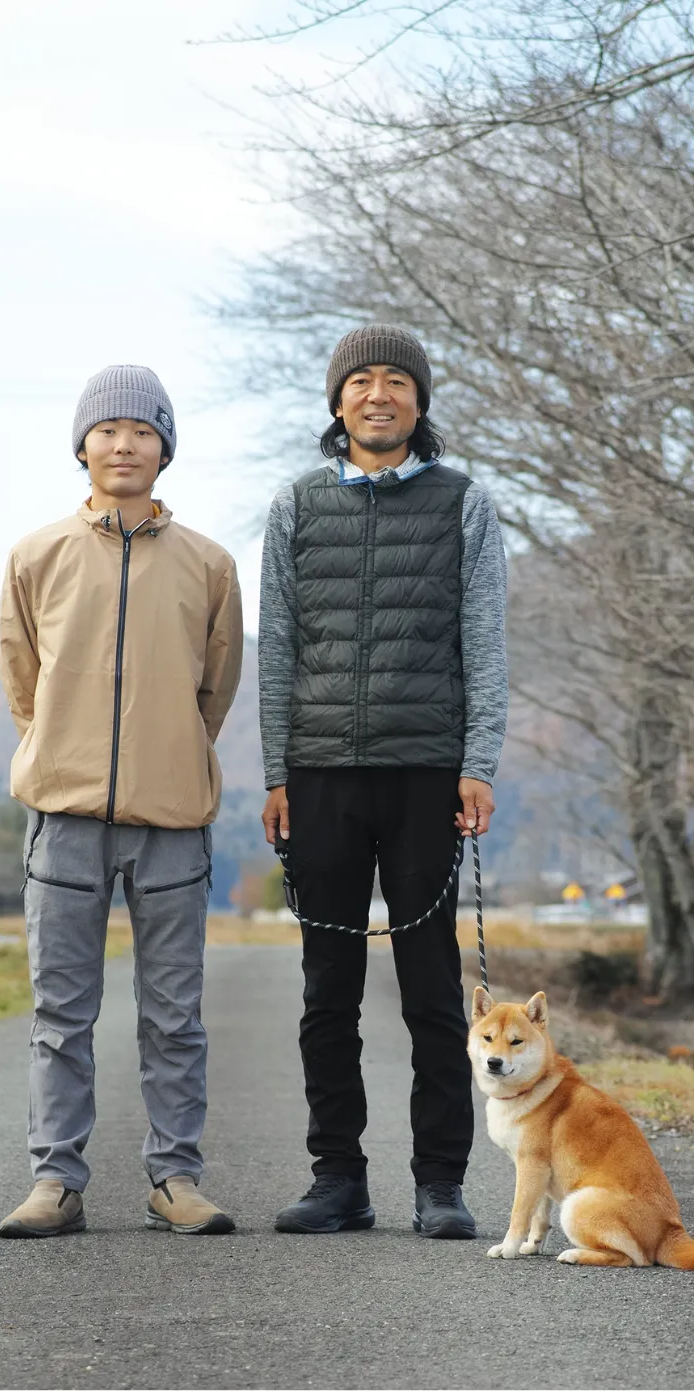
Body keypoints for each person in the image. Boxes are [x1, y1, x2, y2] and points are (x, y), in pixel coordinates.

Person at [259, 325, 507, 1237]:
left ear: (418, 401)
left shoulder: (463, 503)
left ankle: (440, 1181)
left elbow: (484, 644)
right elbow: (276, 647)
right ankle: (339, 1178)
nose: (377, 394)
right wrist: (276, 770)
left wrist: (478, 763)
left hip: (426, 774)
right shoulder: (295, 505)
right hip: (320, 775)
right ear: (337, 403)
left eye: (395, 381)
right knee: (327, 987)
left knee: (431, 986)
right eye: (360, 380)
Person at [0, 365, 243, 1238]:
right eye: (108, 430)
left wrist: (167, 752)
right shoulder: (36, 555)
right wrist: (56, 750)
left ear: (166, 448)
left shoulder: (209, 563)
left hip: (173, 820)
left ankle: (175, 1178)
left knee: (174, 1015)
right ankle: (54, 1183)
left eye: (144, 430)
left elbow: (217, 688)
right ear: (83, 446)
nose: (125, 443)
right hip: (61, 818)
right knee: (60, 1014)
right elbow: (23, 679)